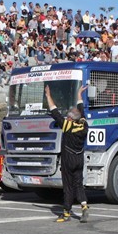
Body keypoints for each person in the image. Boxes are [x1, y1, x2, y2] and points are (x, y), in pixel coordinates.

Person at [45, 84, 90, 223]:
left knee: (68, 186)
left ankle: (66, 213)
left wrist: (48, 95)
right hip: (79, 158)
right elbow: (81, 111)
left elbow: (54, 112)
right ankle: (84, 206)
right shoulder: (84, 124)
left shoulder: (67, 126)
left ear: (70, 119)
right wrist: (79, 95)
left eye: (67, 116)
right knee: (78, 184)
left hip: (68, 159)